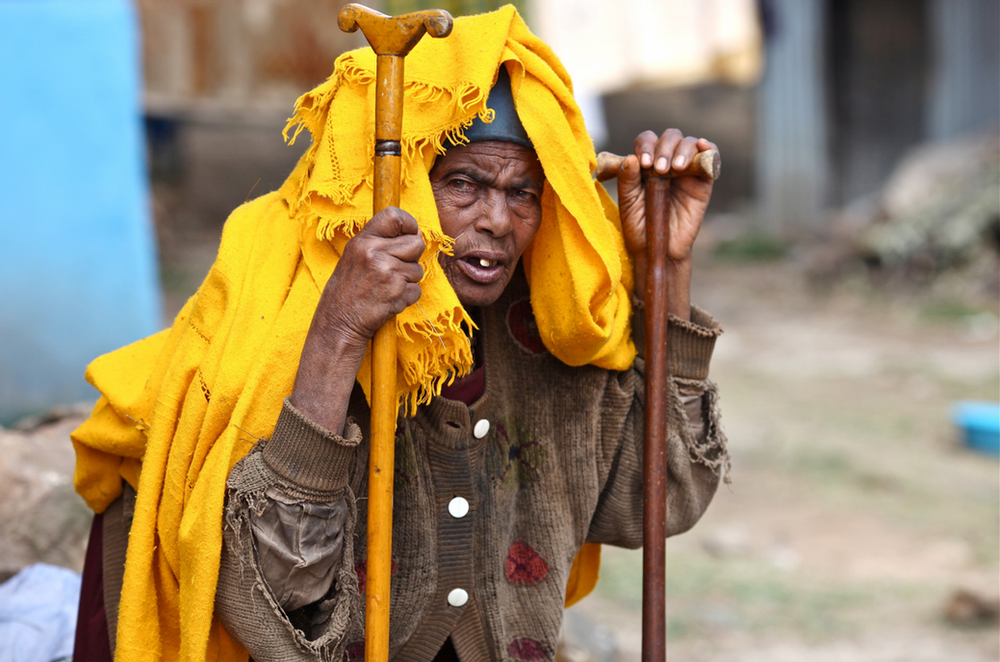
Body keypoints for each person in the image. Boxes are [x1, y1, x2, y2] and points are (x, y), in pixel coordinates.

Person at [71, 7, 728, 662]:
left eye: (523, 193)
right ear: (406, 188)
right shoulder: (280, 321)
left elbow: (658, 499)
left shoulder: (556, 329)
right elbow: (273, 590)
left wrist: (666, 269)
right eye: (464, 184)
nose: (496, 221)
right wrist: (339, 330)